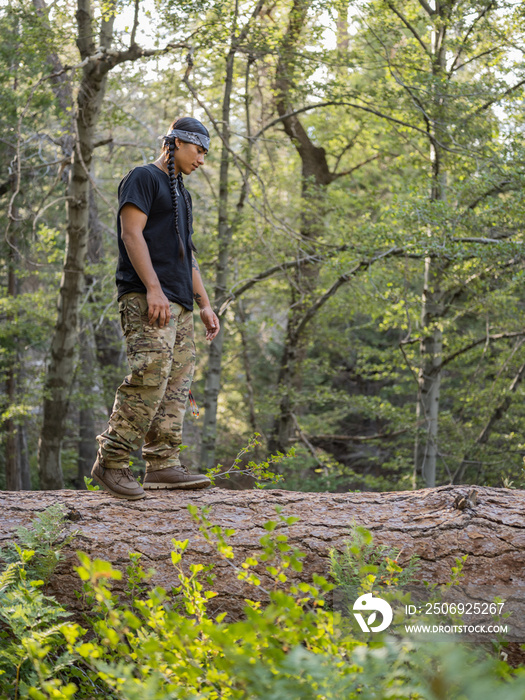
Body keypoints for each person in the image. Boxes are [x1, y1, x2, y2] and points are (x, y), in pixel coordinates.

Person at [91, 117, 220, 500]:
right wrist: (152, 288)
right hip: (148, 298)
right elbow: (131, 234)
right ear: (177, 143)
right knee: (149, 376)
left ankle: (163, 464)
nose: (201, 161)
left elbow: (187, 254)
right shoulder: (143, 178)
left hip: (178, 302)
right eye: (198, 151)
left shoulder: (184, 193)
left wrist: (205, 304)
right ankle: (111, 461)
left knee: (177, 384)